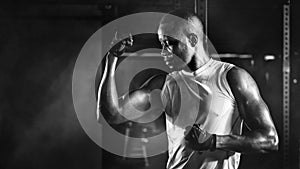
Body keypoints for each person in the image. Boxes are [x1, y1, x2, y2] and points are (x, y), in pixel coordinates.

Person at [97, 9, 279, 169]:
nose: (164, 53)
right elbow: (112, 114)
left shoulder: (231, 77)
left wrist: (215, 141)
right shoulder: (164, 84)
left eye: (170, 44)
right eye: (162, 45)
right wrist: (112, 57)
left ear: (192, 39)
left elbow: (269, 140)